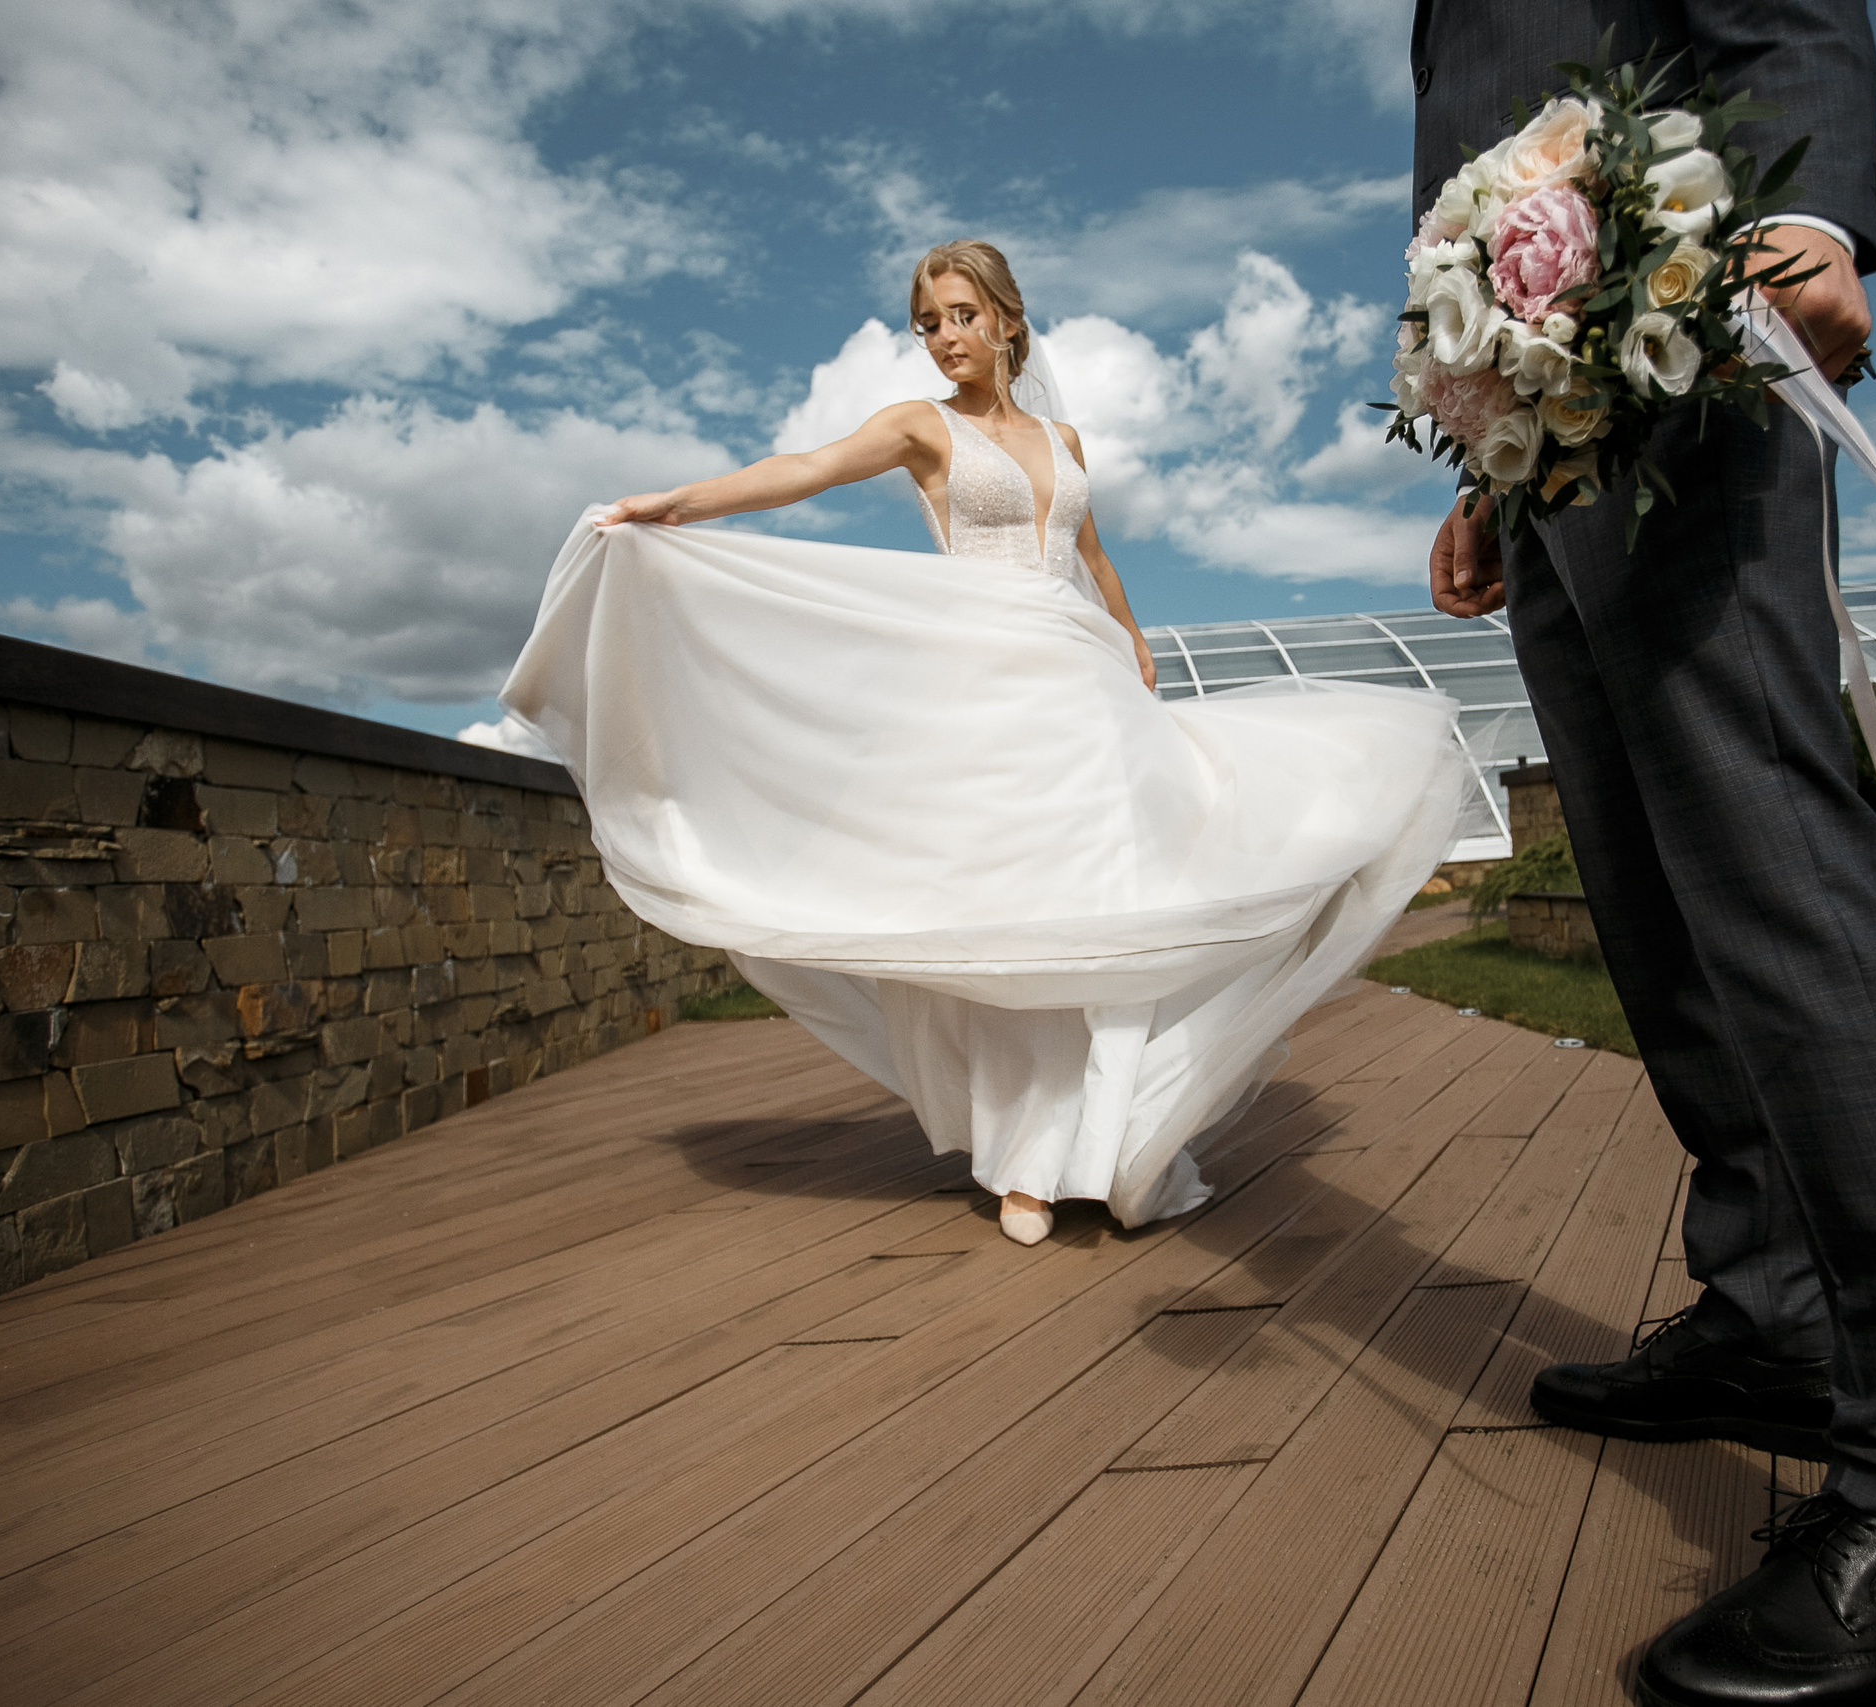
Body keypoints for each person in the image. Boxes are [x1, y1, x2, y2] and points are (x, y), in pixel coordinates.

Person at [1411, 5, 1876, 1705]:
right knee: (1650, 906)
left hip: (1689, 353)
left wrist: (1816, 217)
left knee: (1775, 878)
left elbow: (1781, 17)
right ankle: (1777, 1317)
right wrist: (1486, 448)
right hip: (1546, 435)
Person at [501, 241, 1469, 1248]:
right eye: (927, 323)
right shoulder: (921, 428)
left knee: (1112, 907)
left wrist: (1131, 640)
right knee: (1016, 918)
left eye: (961, 315)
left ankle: (1110, 1144)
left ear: (1009, 320)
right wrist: (677, 504)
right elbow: (805, 471)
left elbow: (1091, 556)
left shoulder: (1066, 439)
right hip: (985, 702)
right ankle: (1023, 1161)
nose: (944, 338)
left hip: (1086, 692)